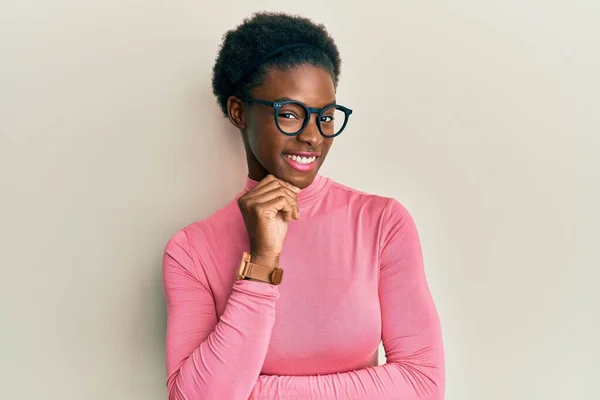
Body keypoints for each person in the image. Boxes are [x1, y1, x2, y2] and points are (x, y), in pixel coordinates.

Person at [162, 11, 445, 400]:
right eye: (290, 114)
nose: (313, 137)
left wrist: (253, 392)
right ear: (238, 112)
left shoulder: (382, 223)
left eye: (325, 117)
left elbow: (423, 385)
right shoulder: (190, 252)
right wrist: (262, 262)